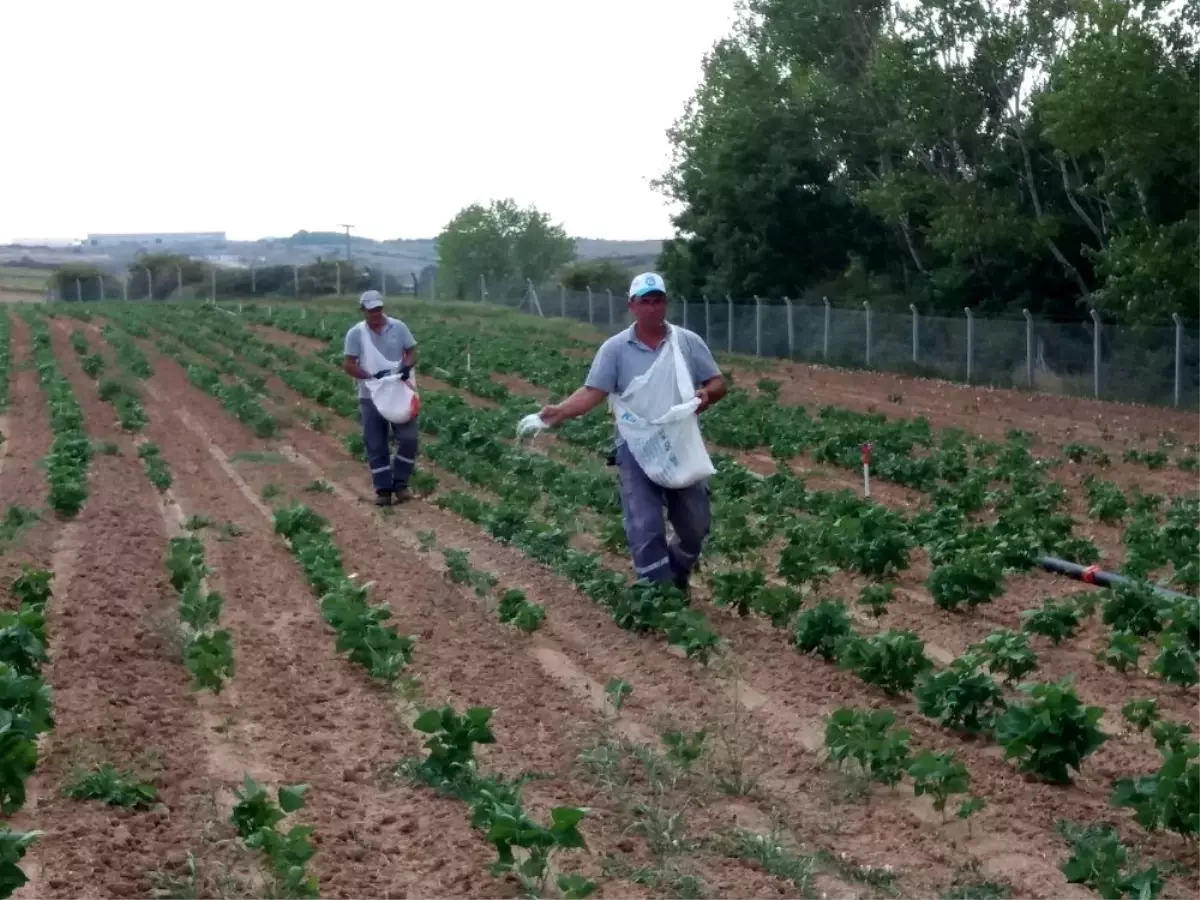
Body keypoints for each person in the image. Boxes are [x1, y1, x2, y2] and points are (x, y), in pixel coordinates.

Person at [538, 272, 727, 592]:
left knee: (695, 525)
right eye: (645, 302)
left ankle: (676, 572)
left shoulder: (686, 342)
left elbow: (718, 382)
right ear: (632, 306)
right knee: (645, 523)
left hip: (680, 444)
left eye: (658, 301)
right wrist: (561, 411)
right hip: (635, 445)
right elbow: (593, 391)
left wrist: (707, 395)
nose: (653, 308)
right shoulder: (615, 349)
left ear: (665, 303)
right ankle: (657, 593)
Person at [342, 290, 420, 506]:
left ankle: (401, 483)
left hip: (399, 392)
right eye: (371, 310)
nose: (376, 314)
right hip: (371, 395)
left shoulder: (399, 327)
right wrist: (369, 377)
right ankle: (383, 489)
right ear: (363, 311)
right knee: (375, 442)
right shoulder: (356, 334)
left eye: (379, 309)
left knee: (409, 438)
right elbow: (349, 364)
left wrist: (407, 365)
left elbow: (412, 351)